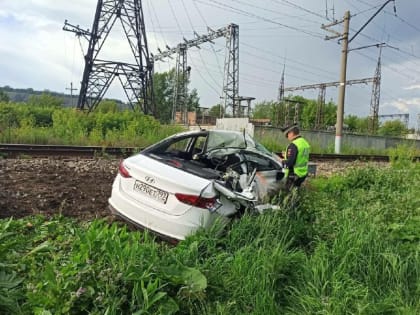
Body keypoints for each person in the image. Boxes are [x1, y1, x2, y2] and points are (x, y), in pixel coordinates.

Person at [280, 124, 310, 189]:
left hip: (293, 174)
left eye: (287, 135)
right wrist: (286, 154)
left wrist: (281, 161)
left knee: (289, 195)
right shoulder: (305, 142)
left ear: (291, 133)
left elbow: (290, 163)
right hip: (302, 173)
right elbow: (300, 155)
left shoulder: (294, 145)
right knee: (296, 192)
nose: (287, 137)